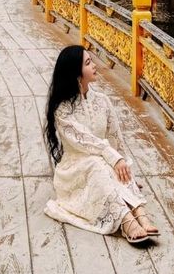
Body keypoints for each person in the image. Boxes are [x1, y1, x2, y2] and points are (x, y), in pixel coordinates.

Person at [44, 45, 159, 244]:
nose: (94, 65)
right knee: (98, 164)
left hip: (103, 160)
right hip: (76, 168)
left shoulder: (103, 101)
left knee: (115, 165)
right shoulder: (62, 110)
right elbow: (84, 140)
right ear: (76, 73)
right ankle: (125, 220)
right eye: (88, 63)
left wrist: (125, 169)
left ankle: (140, 212)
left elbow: (115, 140)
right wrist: (112, 158)